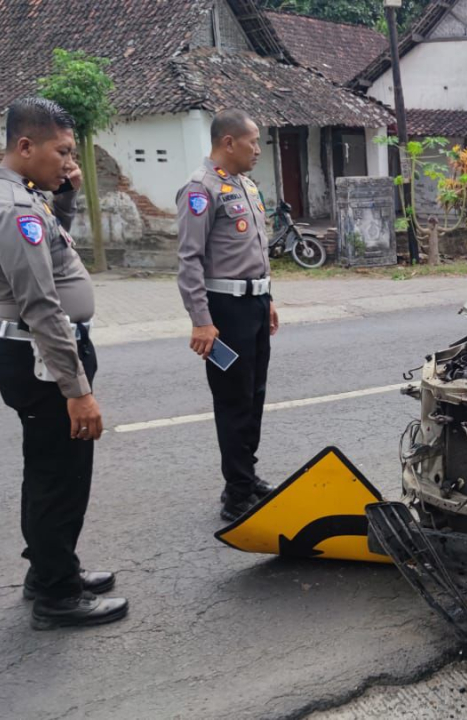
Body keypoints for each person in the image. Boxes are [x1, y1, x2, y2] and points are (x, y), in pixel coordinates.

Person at [0, 97, 127, 630]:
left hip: (30, 355)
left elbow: (54, 251)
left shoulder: (11, 195)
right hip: (44, 359)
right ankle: (57, 596)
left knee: (47, 470)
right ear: (25, 146)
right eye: (62, 151)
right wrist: (76, 387)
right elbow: (41, 305)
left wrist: (67, 197)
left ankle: (51, 570)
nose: (68, 161)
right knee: (61, 476)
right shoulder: (16, 211)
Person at [176, 109, 279, 522]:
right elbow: (189, 259)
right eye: (252, 141)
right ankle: (236, 494)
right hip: (225, 311)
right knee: (233, 400)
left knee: (254, 395)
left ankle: (245, 475)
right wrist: (201, 319)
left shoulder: (246, 186)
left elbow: (253, 252)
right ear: (228, 142)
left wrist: (267, 297)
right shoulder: (200, 190)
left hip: (253, 304)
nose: (258, 148)